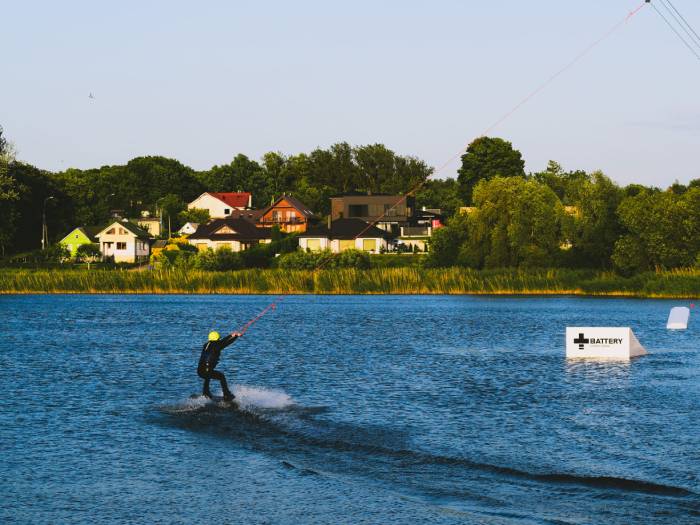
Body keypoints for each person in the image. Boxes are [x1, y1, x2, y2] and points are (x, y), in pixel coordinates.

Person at [197, 330, 242, 401]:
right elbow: (225, 343)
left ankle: (206, 392)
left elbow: (222, 342)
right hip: (207, 371)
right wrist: (236, 336)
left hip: (200, 371)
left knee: (207, 376)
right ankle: (227, 394)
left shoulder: (206, 345)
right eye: (218, 338)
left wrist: (231, 335)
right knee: (221, 376)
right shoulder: (217, 346)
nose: (219, 340)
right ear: (217, 339)